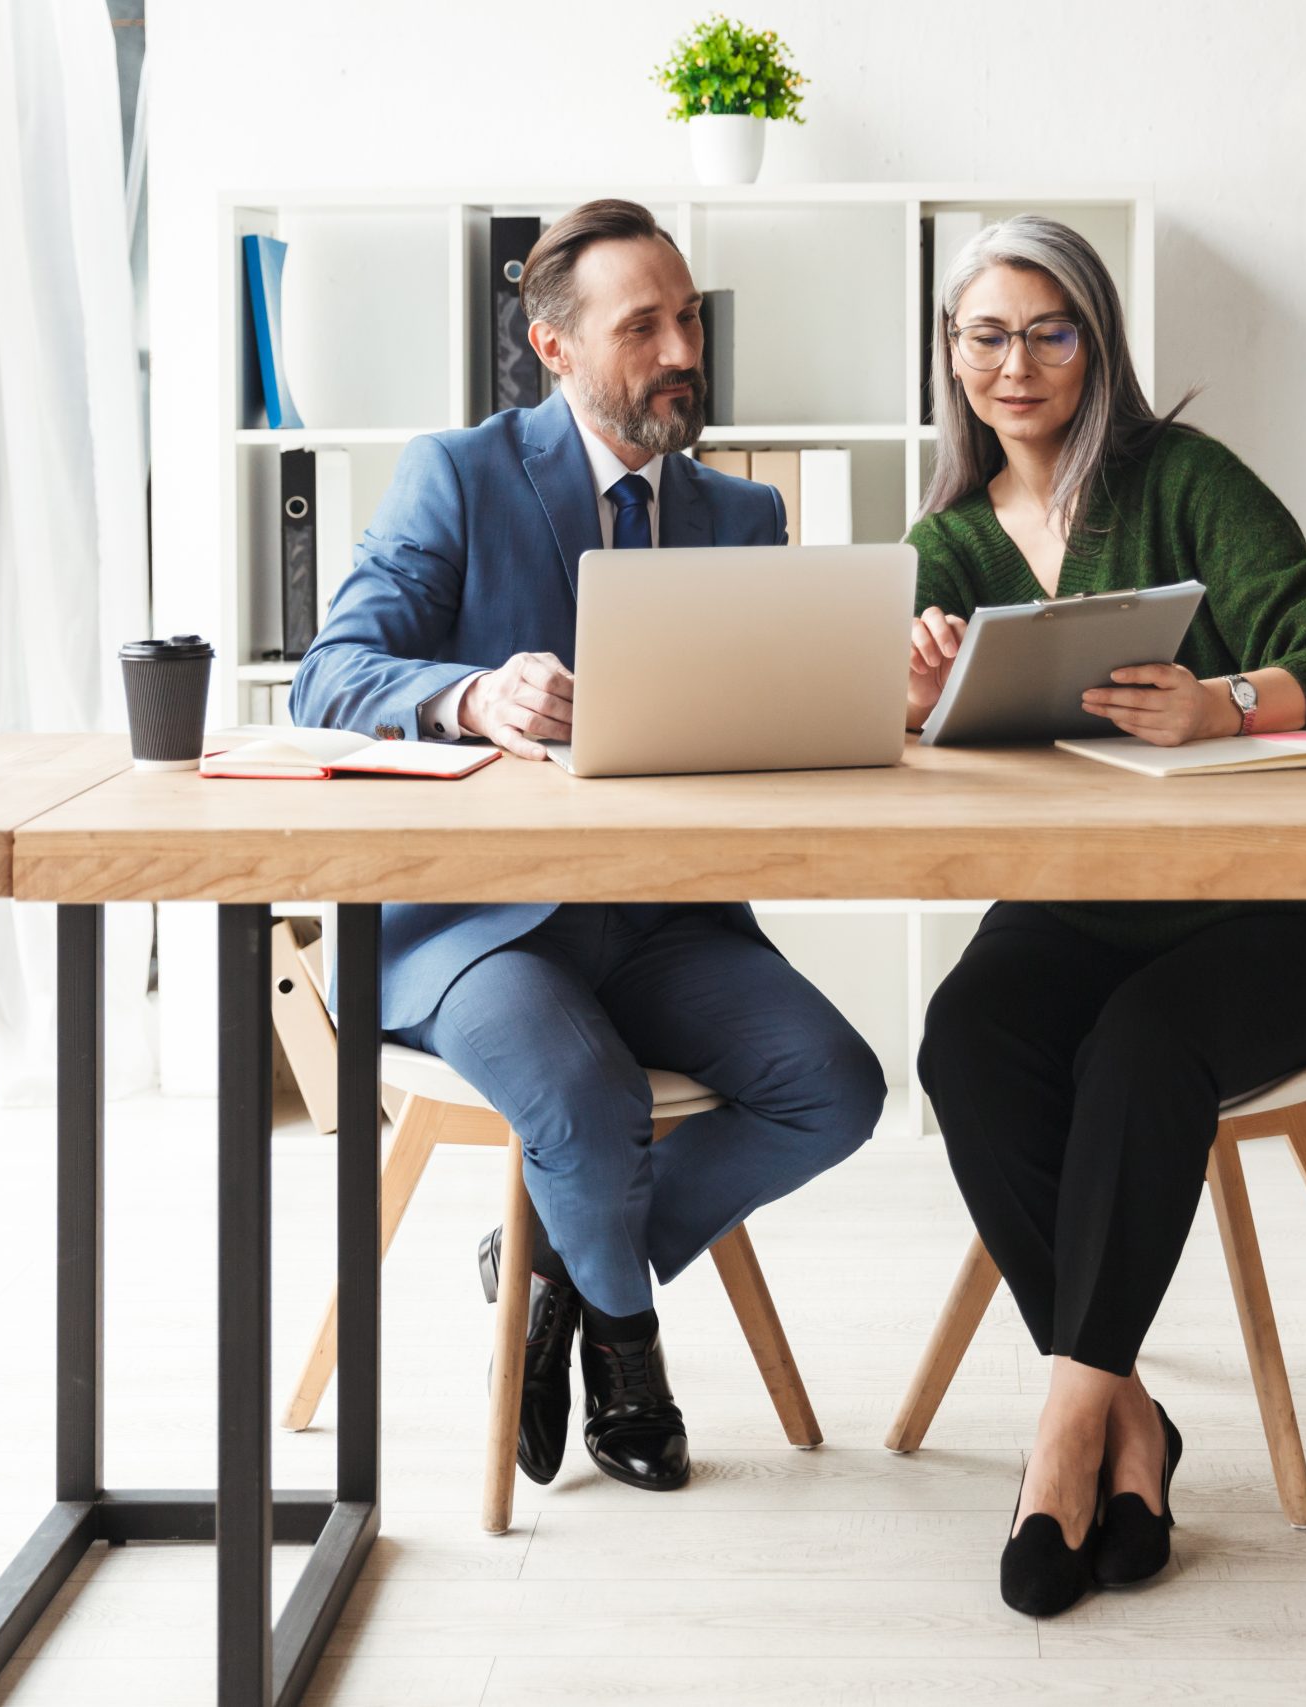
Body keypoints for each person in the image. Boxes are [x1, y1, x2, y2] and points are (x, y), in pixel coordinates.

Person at [290, 199, 885, 1493]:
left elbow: (753, 728)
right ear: (554, 350)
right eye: (644, 327)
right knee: (588, 1099)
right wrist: (470, 698)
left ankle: (557, 1258)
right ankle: (629, 1348)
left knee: (840, 1087)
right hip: (472, 924)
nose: (681, 349)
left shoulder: (740, 517)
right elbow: (327, 677)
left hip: (665, 921)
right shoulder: (456, 472)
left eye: (689, 320)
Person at [904, 215, 1306, 1614]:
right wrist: (908, 681)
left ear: (1098, 342)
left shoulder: (1184, 479)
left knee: (1139, 1047)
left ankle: (1065, 1432)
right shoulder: (945, 540)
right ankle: (1131, 1415)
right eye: (986, 334)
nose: (1017, 362)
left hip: (1274, 920)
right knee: (966, 1037)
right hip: (1072, 911)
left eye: (1050, 330)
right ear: (952, 355)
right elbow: (905, 725)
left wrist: (1225, 704)